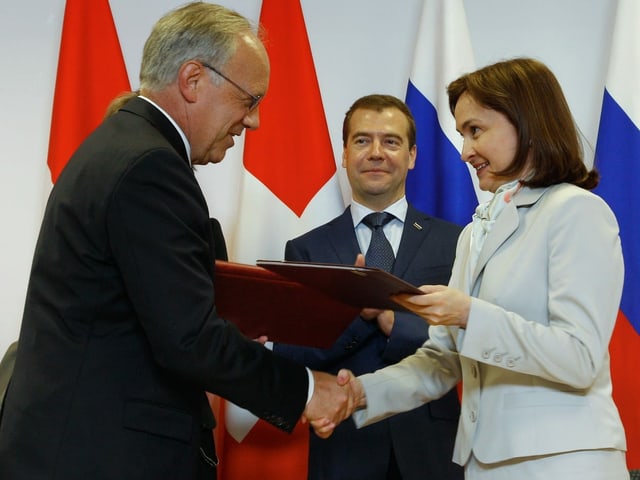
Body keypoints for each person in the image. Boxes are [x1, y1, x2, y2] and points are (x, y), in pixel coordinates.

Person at [0, 3, 356, 479]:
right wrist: (309, 391)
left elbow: (160, 304)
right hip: (102, 455)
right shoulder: (150, 166)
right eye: (249, 100)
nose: (254, 123)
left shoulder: (125, 145)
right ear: (192, 80)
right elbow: (188, 339)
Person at [330, 58, 630, 479]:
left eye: (476, 130)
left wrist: (469, 313)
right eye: (462, 134)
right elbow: (444, 358)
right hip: (483, 465)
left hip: (563, 464)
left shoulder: (577, 211)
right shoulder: (476, 231)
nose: (466, 151)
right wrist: (358, 393)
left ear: (525, 123)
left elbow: (579, 357)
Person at [271, 94, 463, 480]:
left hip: (432, 447)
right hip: (344, 443)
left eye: (390, 141)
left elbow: (471, 337)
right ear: (343, 154)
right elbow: (291, 352)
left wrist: (395, 322)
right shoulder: (307, 249)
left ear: (412, 155)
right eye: (362, 141)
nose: (376, 153)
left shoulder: (456, 242)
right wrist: (359, 315)